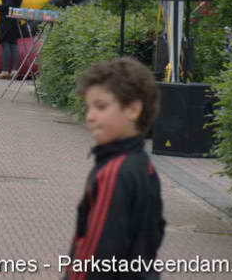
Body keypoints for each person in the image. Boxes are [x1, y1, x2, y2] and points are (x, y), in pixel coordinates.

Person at [65, 57, 165, 280]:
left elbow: (98, 251)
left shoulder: (114, 172)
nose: (90, 116)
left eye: (101, 107)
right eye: (89, 107)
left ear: (132, 109)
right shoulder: (144, 167)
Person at [0, 0, 25, 79]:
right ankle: (14, 70)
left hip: (6, 20)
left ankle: (5, 70)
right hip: (15, 19)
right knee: (14, 45)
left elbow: (7, 6)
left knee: (6, 45)